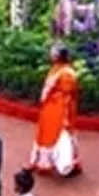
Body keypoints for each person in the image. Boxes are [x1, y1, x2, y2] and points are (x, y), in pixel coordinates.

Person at [31, 47, 80, 177]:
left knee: (61, 135)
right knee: (47, 133)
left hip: (60, 110)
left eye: (53, 54)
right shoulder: (56, 69)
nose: (50, 56)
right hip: (50, 108)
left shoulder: (67, 73)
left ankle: (65, 164)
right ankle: (45, 162)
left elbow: (68, 94)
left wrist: (65, 113)